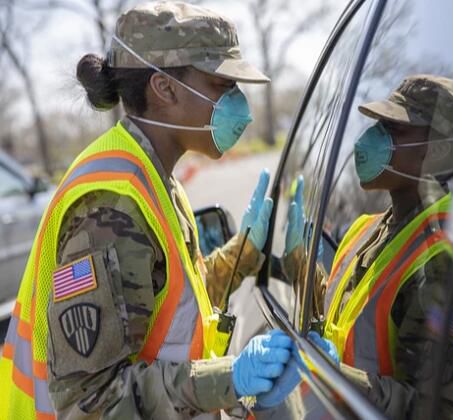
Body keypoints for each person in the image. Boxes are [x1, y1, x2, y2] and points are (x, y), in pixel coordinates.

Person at [0, 2, 296, 418]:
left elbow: (164, 309)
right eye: (221, 84)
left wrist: (240, 256)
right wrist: (231, 379)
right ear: (165, 89)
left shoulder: (154, 178)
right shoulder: (113, 206)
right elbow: (92, 403)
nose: (238, 103)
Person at [283, 74, 453, 419]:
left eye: (393, 130)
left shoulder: (446, 266)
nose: (370, 139)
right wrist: (297, 262)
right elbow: (340, 321)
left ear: (437, 151)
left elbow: (428, 409)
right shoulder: (366, 229)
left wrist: (328, 373)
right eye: (379, 124)